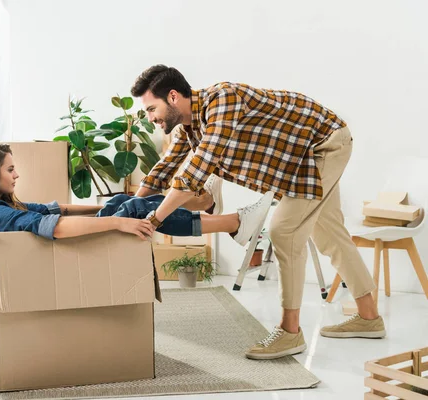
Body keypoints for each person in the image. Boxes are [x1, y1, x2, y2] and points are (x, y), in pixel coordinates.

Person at [130, 65, 385, 360]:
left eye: (151, 109)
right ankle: (369, 318)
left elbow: (194, 172)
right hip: (303, 157)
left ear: (173, 97)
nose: (150, 119)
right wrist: (132, 207)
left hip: (324, 145)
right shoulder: (189, 129)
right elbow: (164, 171)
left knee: (284, 231)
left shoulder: (222, 101)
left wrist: (154, 219)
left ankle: (290, 333)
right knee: (329, 235)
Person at [0, 141, 269, 242]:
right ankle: (233, 222)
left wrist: (104, 208)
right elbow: (52, 228)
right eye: (10, 169)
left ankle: (206, 206)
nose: (17, 174)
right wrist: (117, 221)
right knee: (133, 210)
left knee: (124, 200)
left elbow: (55, 211)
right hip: (61, 247)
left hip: (64, 237)